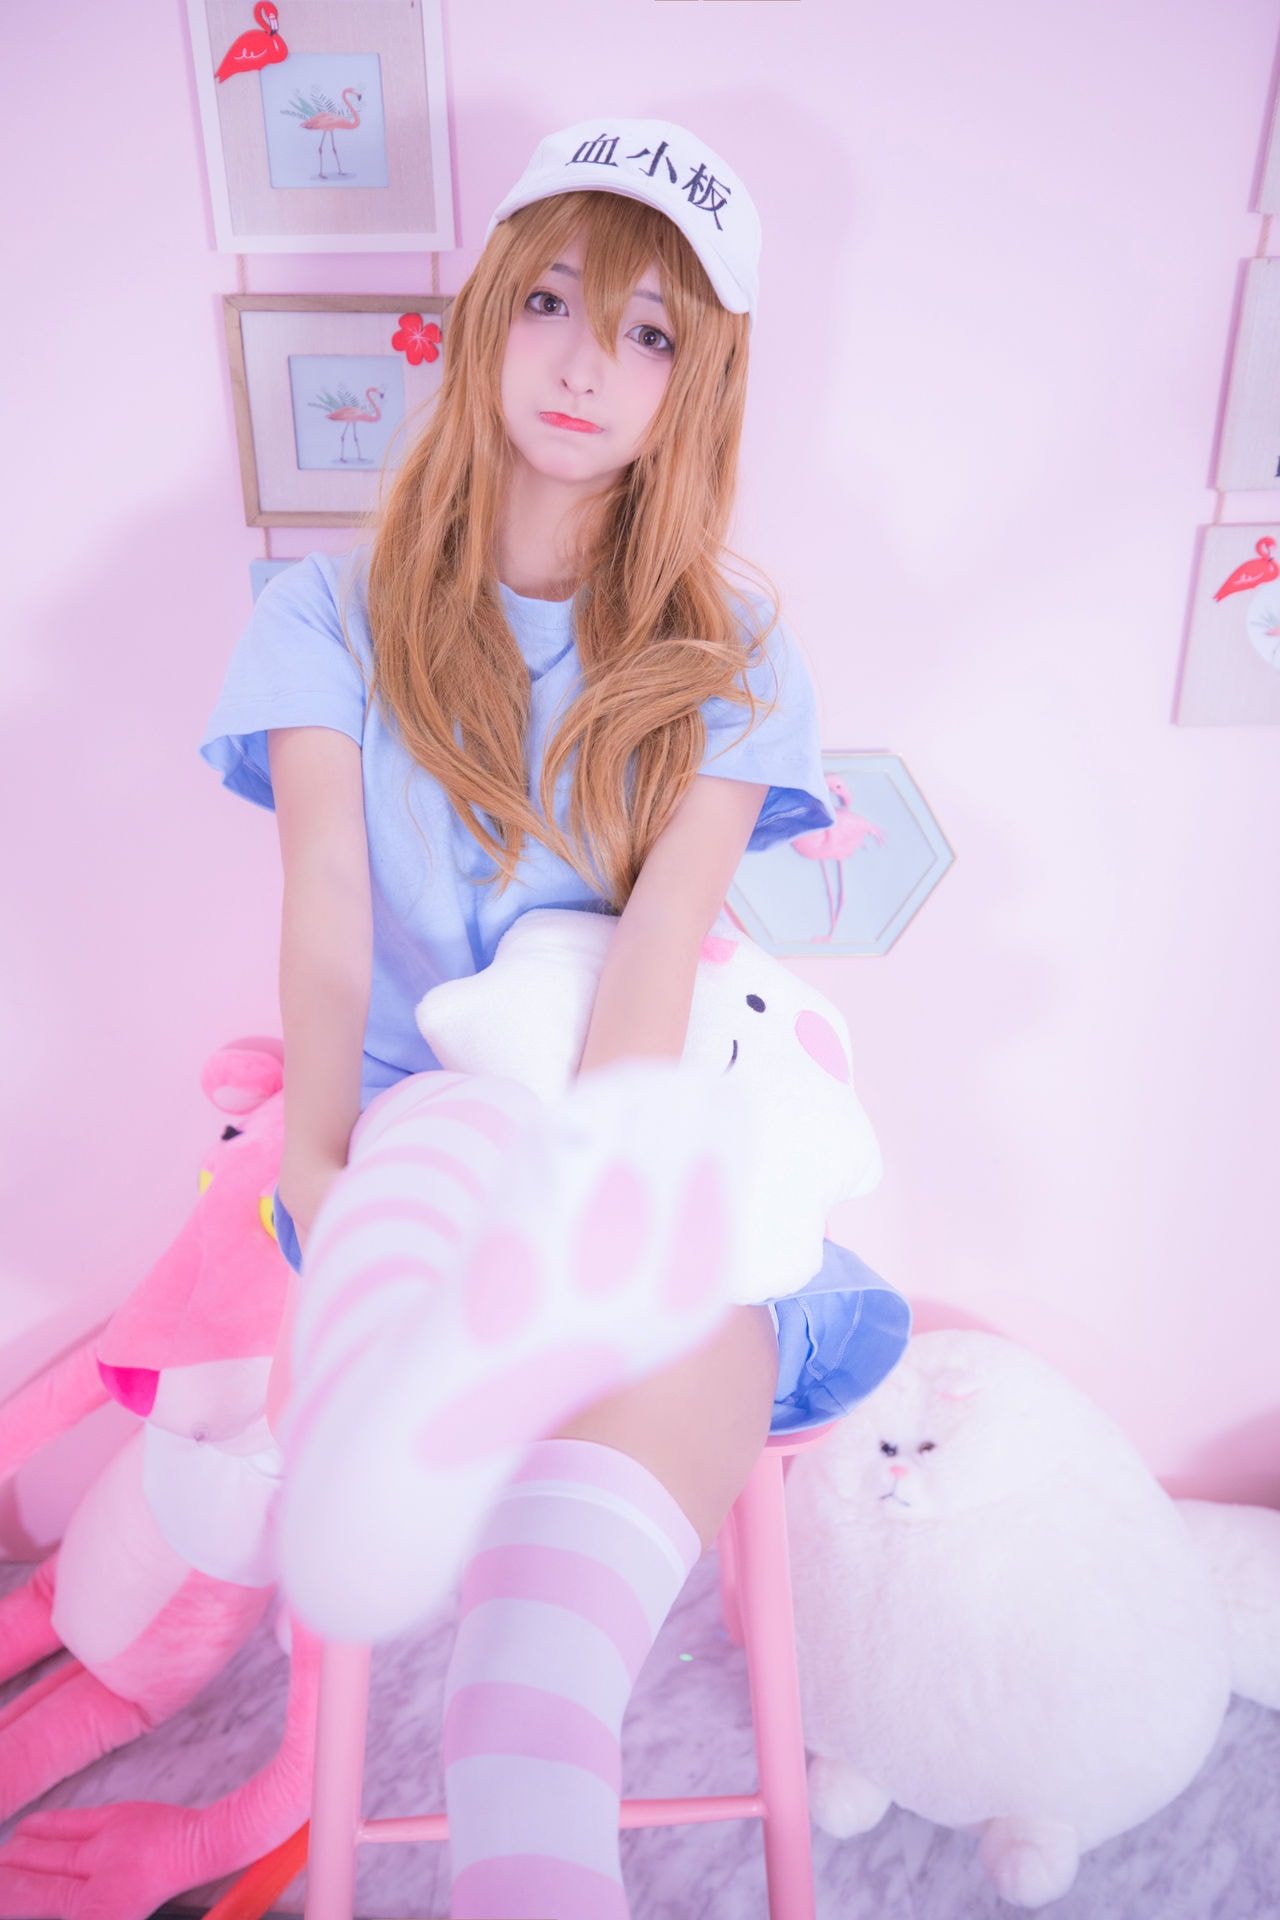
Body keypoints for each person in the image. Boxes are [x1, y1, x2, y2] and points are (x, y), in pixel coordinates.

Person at [201, 118, 902, 1920]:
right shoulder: (327, 618)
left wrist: (600, 1182)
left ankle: (461, 1366)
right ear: (487, 316)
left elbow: (660, 943)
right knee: (451, 1111)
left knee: (531, 1709)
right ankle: (410, 1390)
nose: (590, 362)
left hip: (634, 1161)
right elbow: (328, 903)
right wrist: (310, 1157)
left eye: (651, 333)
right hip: (412, 1147)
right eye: (554, 303)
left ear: (697, 385)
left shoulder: (731, 659)